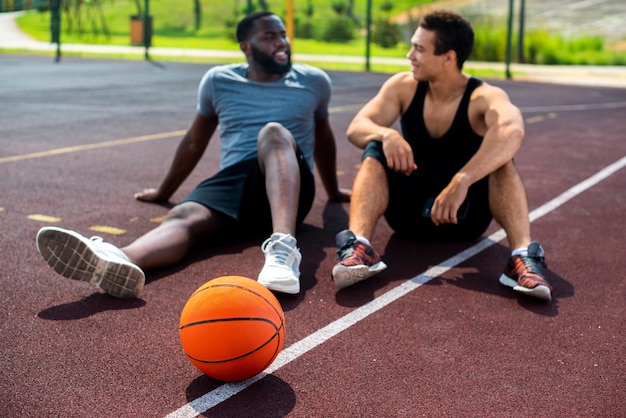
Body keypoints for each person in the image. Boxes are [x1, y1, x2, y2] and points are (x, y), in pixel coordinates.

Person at [36, 11, 349, 298]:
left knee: (273, 132)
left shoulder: (314, 82)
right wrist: (164, 192)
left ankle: (283, 248)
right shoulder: (219, 81)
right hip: (237, 185)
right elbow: (194, 142)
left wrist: (332, 192)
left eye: (282, 34)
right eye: (269, 37)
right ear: (246, 47)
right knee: (185, 217)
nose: (281, 42)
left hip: (291, 185)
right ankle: (118, 259)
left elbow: (323, 138)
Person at [331, 10, 552, 301]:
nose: (410, 55)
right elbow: (357, 127)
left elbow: (512, 132)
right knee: (375, 147)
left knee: (502, 159)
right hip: (407, 214)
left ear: (448, 57)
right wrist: (388, 134)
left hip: (464, 215)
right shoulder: (403, 87)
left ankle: (522, 257)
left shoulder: (482, 96)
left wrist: (462, 180)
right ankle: (359, 248)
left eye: (419, 49)